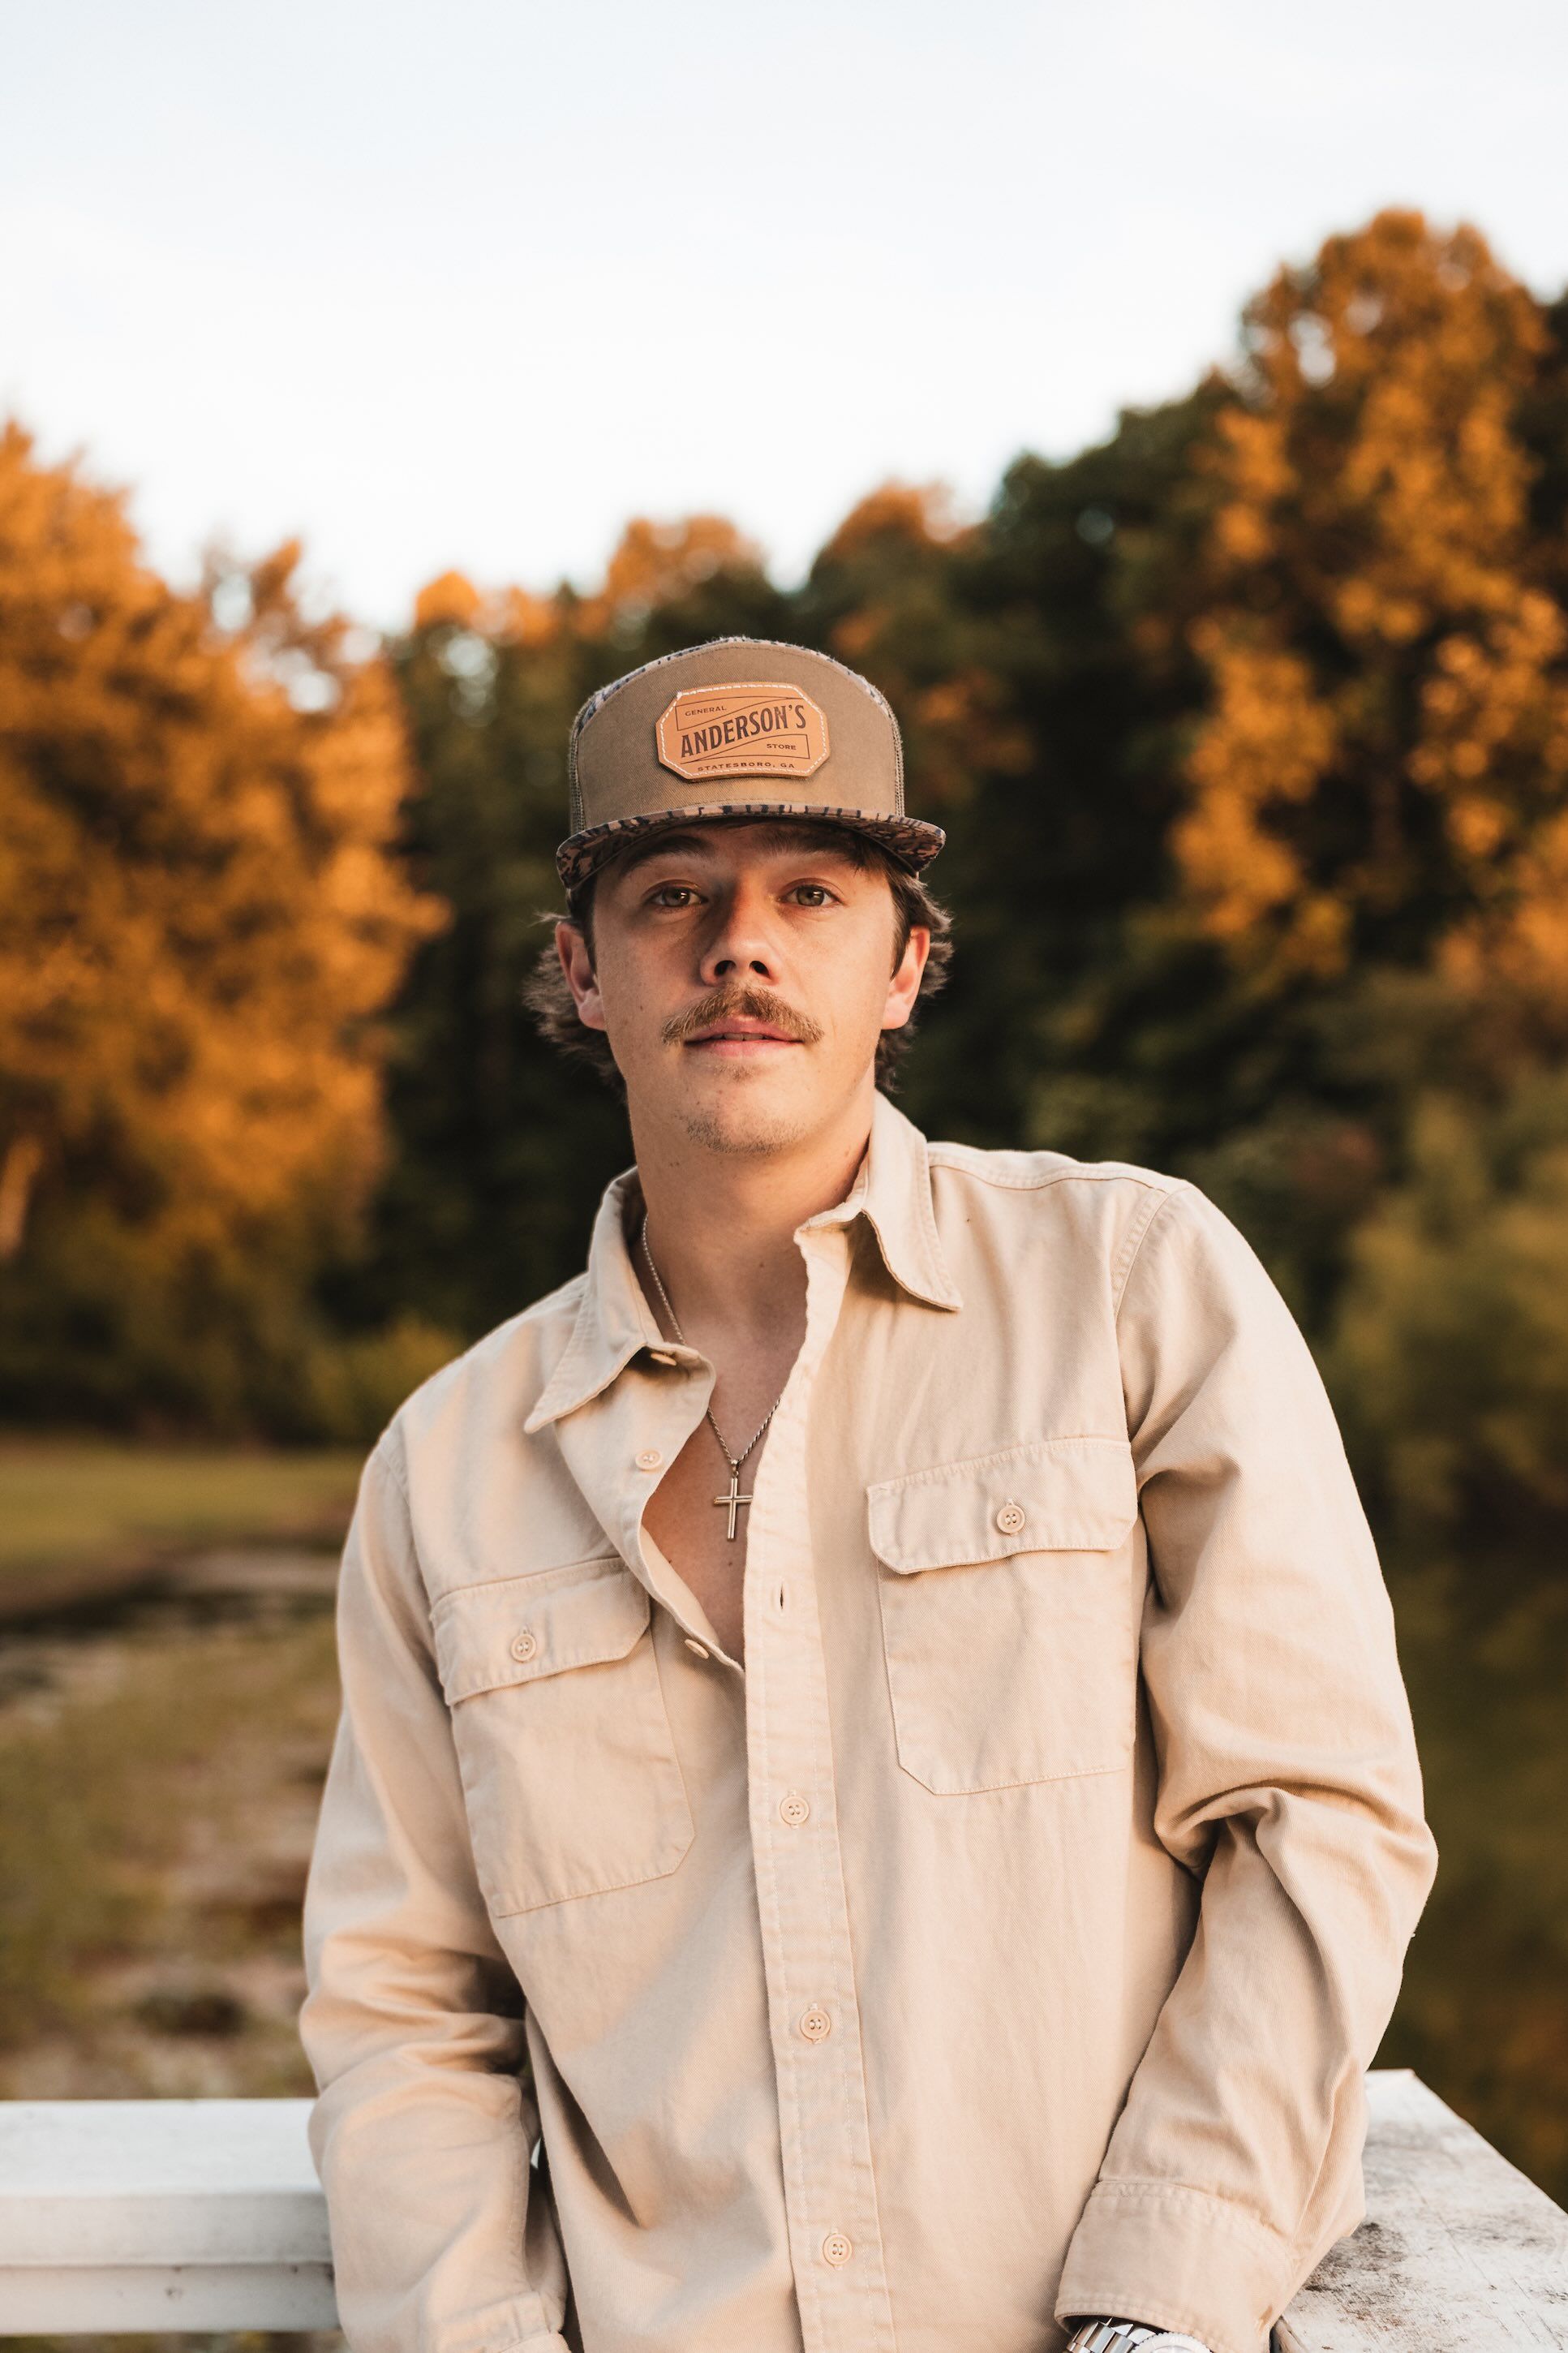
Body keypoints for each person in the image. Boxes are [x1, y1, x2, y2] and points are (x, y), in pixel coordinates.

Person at [299, 638, 1437, 2353]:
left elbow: (1320, 1818)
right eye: (670, 891)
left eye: (811, 892)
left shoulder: (1133, 1285)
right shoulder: (445, 1471)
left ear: (906, 964)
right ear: (581, 971)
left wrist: (1164, 2299)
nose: (738, 943)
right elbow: (403, 2008)